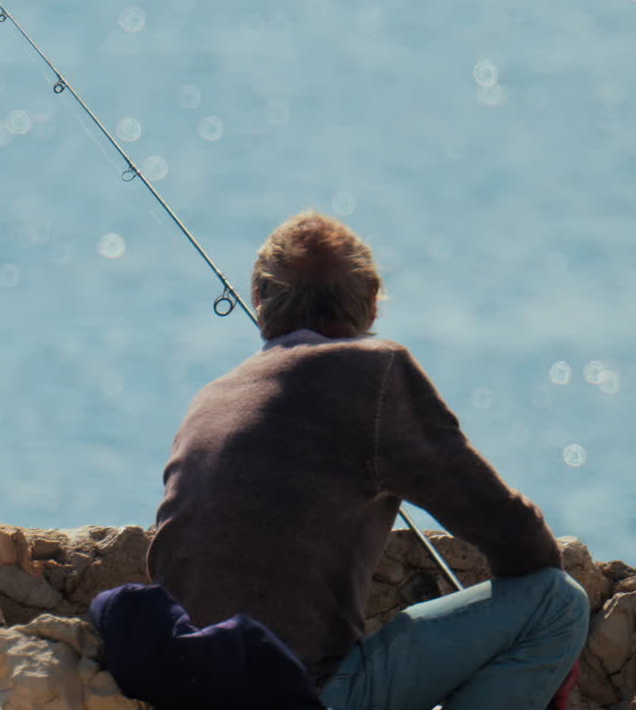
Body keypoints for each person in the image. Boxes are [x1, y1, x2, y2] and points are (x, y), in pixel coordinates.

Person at [144, 209, 589, 710]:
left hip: (188, 689)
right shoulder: (374, 374)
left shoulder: (210, 399)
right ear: (372, 305)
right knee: (559, 603)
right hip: (309, 697)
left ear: (258, 301)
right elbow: (506, 526)